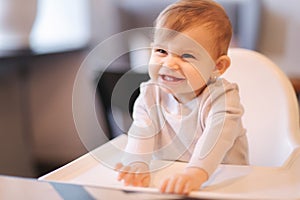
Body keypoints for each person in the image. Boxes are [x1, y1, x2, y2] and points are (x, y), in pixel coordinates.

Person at [115, 0, 249, 195]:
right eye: (161, 51)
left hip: (226, 185)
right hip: (170, 184)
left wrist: (195, 173)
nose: (169, 63)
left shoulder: (223, 98)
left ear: (217, 66)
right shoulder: (150, 95)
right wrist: (136, 163)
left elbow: (216, 139)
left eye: (186, 55)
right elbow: (141, 132)